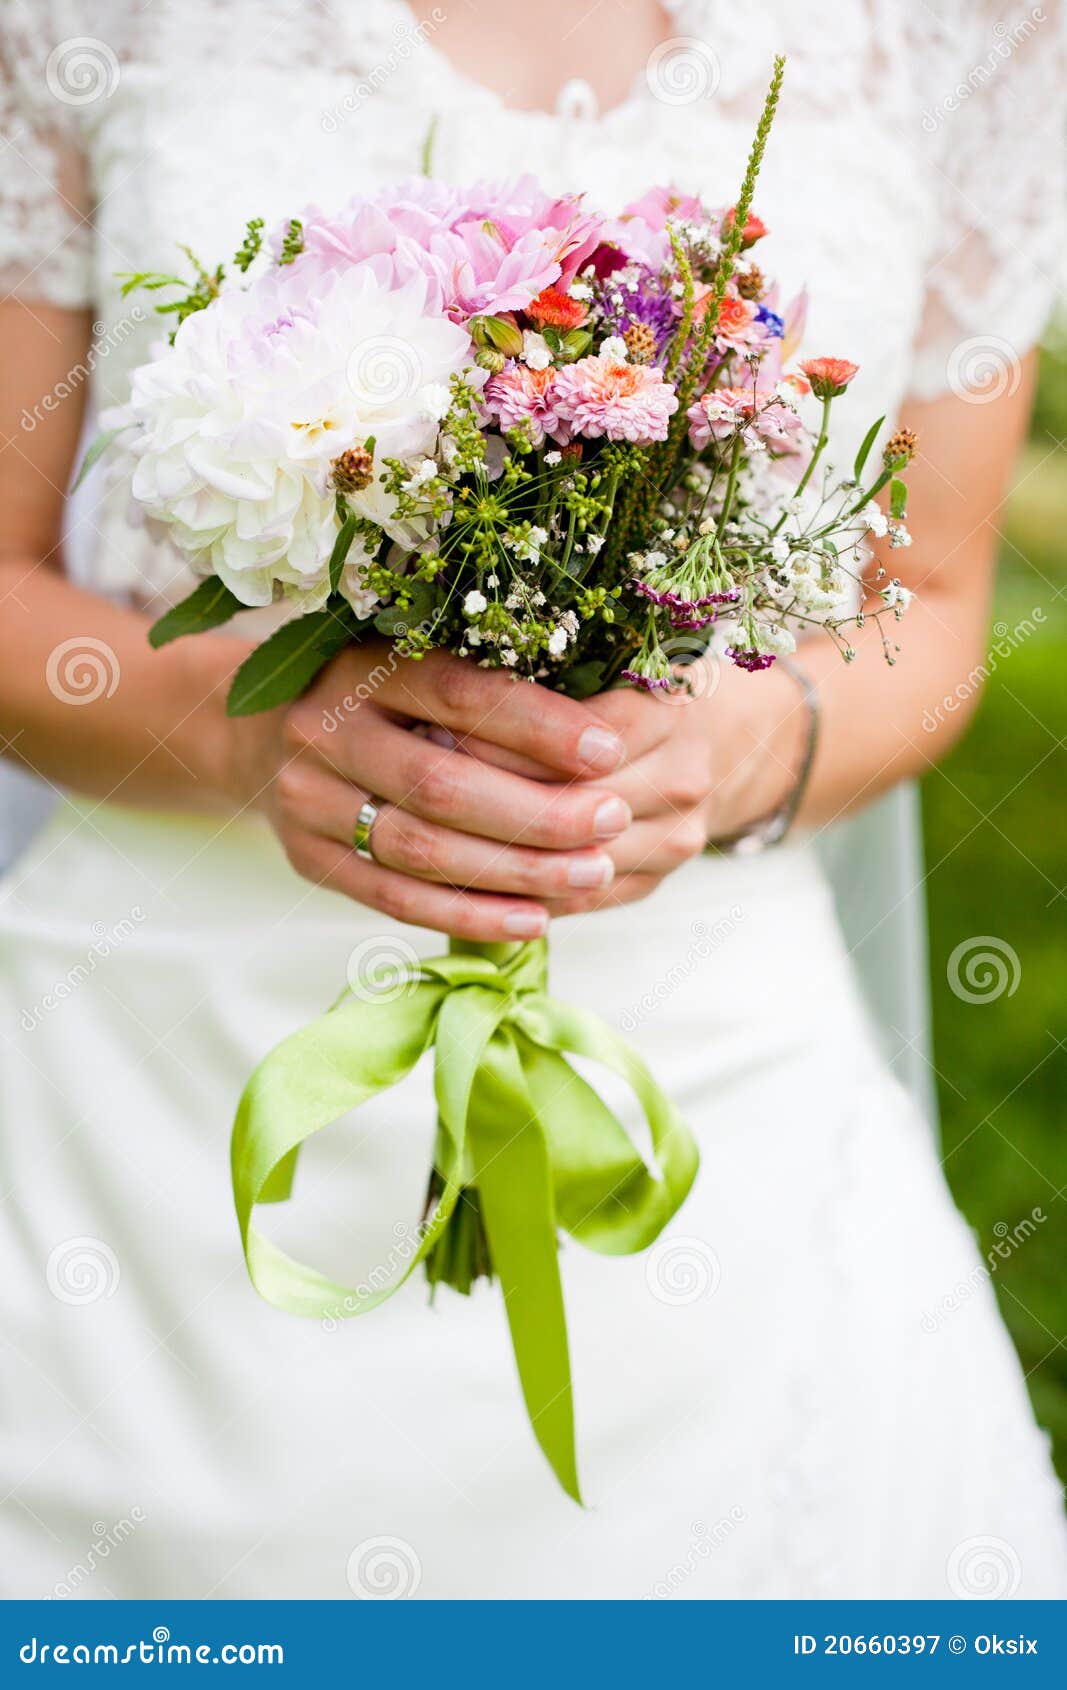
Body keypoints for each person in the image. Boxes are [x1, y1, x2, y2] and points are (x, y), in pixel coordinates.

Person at [1, 0, 1064, 1599]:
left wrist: (729, 753)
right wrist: (236, 726)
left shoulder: (976, 29)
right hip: (139, 1120)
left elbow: (928, 601)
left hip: (717, 1079)